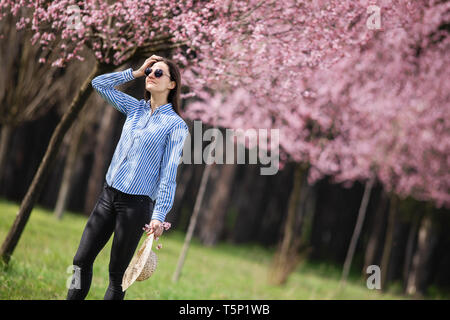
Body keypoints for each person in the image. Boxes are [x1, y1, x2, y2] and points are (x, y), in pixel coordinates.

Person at [66, 55, 189, 300]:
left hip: (136, 207)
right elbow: (98, 84)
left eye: (158, 73)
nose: (151, 75)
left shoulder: (176, 126)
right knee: (80, 260)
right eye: (150, 71)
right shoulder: (135, 108)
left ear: (172, 84)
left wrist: (158, 216)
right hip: (108, 195)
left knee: (117, 276)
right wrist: (135, 72)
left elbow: (169, 173)